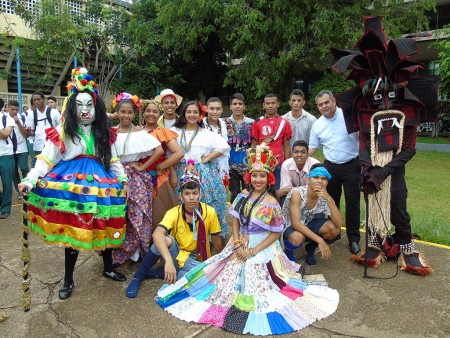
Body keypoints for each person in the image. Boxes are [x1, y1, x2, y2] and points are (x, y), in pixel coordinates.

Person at [154, 144, 339, 335]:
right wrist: (235, 241)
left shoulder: (272, 202)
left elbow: (276, 233)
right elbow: (235, 220)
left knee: (256, 284)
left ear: (269, 178)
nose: (258, 180)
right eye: (255, 176)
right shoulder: (242, 195)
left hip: (262, 246)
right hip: (239, 241)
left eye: (262, 176)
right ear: (249, 177)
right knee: (220, 277)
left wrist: (252, 251)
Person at [331, 16, 434, 275]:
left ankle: (405, 245)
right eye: (377, 95)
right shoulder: (367, 115)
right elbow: (364, 143)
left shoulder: (405, 114)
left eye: (388, 94)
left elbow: (408, 149)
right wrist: (367, 167)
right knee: (373, 208)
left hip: (392, 170)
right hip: (373, 170)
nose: (383, 100)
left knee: (398, 207)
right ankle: (376, 242)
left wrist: (384, 170)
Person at [18, 67, 129, 300]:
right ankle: (68, 279)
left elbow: (115, 160)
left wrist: (124, 180)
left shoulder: (105, 134)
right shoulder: (63, 132)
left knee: (104, 223)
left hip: (103, 185)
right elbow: (46, 159)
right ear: (71, 107)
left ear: (96, 107)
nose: (85, 110)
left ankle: (108, 267)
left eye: (89, 105)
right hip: (72, 186)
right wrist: (30, 179)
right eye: (80, 105)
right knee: (73, 230)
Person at [126, 160, 223, 298]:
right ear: (181, 196)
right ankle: (138, 276)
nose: (191, 198)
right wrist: (169, 261)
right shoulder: (174, 212)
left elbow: (216, 239)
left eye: (195, 193)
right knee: (164, 239)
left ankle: (163, 273)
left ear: (200, 195)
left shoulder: (210, 212)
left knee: (196, 284)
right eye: (187, 194)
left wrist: (221, 259)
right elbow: (157, 235)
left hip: (198, 259)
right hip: (177, 254)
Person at [110, 93, 163, 267]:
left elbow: (159, 151)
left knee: (137, 215)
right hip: (114, 178)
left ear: (134, 114)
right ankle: (119, 252)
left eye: (129, 112)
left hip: (135, 178)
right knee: (118, 215)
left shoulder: (140, 133)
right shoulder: (110, 132)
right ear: (116, 112)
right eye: (122, 112)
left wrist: (141, 166)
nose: (126, 115)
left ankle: (135, 252)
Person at [309, 90, 361, 255]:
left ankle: (354, 239)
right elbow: (313, 147)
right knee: (331, 201)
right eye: (320, 104)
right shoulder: (317, 125)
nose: (324, 106)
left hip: (352, 164)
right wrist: (297, 162)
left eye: (326, 102)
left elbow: (363, 139)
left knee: (353, 202)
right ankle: (334, 233)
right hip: (330, 166)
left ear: (334, 101)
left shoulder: (349, 116)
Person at [171, 101, 230, 237]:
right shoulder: (175, 132)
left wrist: (207, 158)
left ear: (200, 115)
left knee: (208, 201)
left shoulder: (206, 133)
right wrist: (173, 173)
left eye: (195, 112)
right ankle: (186, 235)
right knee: (183, 202)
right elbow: (168, 154)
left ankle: (209, 236)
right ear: (184, 114)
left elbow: (224, 147)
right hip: (181, 170)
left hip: (204, 172)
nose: (192, 115)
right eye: (189, 112)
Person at [132, 99, 184, 226]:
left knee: (160, 211)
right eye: (148, 111)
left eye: (155, 112)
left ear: (159, 114)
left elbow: (179, 153)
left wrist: (162, 166)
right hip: (137, 177)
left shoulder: (163, 132)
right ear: (143, 113)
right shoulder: (136, 131)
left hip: (158, 176)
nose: (151, 114)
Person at [282, 164, 342, 265]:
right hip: (290, 225)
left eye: (323, 178)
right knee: (297, 238)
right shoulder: (297, 193)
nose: (319, 181)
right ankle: (288, 252)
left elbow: (339, 224)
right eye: (316, 177)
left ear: (327, 182)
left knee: (334, 229)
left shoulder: (325, 196)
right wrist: (320, 240)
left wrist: (329, 199)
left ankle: (311, 247)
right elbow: (295, 223)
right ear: (308, 180)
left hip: (308, 222)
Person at [251, 93, 292, 190]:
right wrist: (252, 162)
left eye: (273, 103)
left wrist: (286, 164)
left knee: (277, 190)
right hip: (261, 162)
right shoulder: (257, 122)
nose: (270, 105)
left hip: (278, 163)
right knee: (260, 189)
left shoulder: (284, 123)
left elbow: (286, 145)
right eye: (267, 103)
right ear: (263, 105)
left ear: (278, 104)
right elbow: (254, 143)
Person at [224, 93, 254, 202]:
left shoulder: (251, 123)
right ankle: (236, 217)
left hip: (247, 162)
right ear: (230, 106)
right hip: (231, 164)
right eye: (234, 104)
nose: (237, 106)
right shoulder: (224, 123)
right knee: (235, 193)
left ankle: (247, 216)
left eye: (240, 104)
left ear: (244, 106)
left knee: (249, 192)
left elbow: (254, 141)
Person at [26, 91, 61, 167]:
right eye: (34, 100)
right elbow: (32, 132)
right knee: (40, 166)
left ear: (43, 99)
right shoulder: (31, 114)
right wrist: (28, 131)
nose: (36, 102)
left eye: (38, 99)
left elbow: (61, 127)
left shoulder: (54, 112)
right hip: (38, 145)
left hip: (52, 145)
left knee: (54, 165)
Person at [7, 100, 30, 199]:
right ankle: (19, 190)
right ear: (8, 108)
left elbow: (26, 134)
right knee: (13, 171)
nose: (15, 112)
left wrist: (18, 123)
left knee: (24, 168)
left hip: (22, 148)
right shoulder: (4, 118)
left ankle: (27, 186)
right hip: (10, 149)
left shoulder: (23, 117)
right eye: (12, 110)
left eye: (16, 110)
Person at [0, 98, 15, 219]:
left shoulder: (7, 118)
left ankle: (6, 209)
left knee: (6, 182)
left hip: (6, 155)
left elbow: (5, 135)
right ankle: (2, 200)